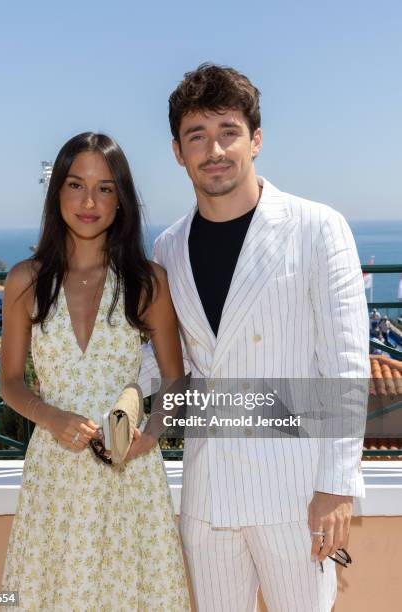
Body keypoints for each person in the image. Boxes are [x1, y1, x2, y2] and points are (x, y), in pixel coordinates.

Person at [138, 64, 369, 611]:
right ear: (178, 151)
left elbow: (345, 363)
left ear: (255, 139)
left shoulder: (318, 227)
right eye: (197, 136)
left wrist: (337, 485)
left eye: (228, 131)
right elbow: (167, 360)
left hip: (296, 492)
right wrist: (128, 409)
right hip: (209, 492)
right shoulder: (168, 248)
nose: (214, 149)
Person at [0, 133, 190, 611]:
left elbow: (175, 379)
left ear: (121, 198)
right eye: (76, 185)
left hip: (128, 474)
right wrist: (52, 417)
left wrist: (149, 435)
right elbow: (10, 383)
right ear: (56, 193)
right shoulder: (25, 280)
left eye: (105, 188)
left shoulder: (147, 282)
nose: (89, 201)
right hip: (54, 475)